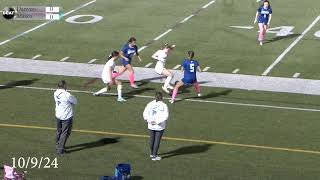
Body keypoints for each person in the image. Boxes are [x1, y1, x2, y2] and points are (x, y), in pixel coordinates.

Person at [143, 92, 169, 161]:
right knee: (157, 140)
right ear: (162, 97)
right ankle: (154, 156)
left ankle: (152, 153)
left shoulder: (150, 104)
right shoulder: (164, 105)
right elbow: (165, 116)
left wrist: (149, 121)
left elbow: (145, 114)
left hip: (151, 125)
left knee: (152, 139)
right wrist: (157, 122)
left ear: (155, 97)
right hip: (159, 126)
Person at [54, 80, 77, 154]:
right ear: (64, 86)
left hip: (58, 115)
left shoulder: (55, 93)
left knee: (59, 131)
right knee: (65, 132)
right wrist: (72, 96)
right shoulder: (67, 94)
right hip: (66, 116)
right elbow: (75, 102)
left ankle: (57, 145)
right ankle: (60, 149)